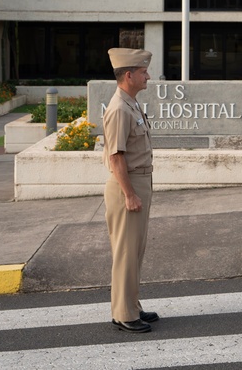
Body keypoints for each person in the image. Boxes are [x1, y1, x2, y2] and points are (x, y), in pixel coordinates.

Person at [103, 47, 158, 333]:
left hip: (139, 183)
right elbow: (116, 157)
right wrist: (129, 194)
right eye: (143, 72)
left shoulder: (131, 104)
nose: (147, 76)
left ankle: (132, 305)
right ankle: (124, 314)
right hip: (128, 185)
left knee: (135, 251)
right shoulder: (119, 109)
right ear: (129, 75)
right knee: (126, 252)